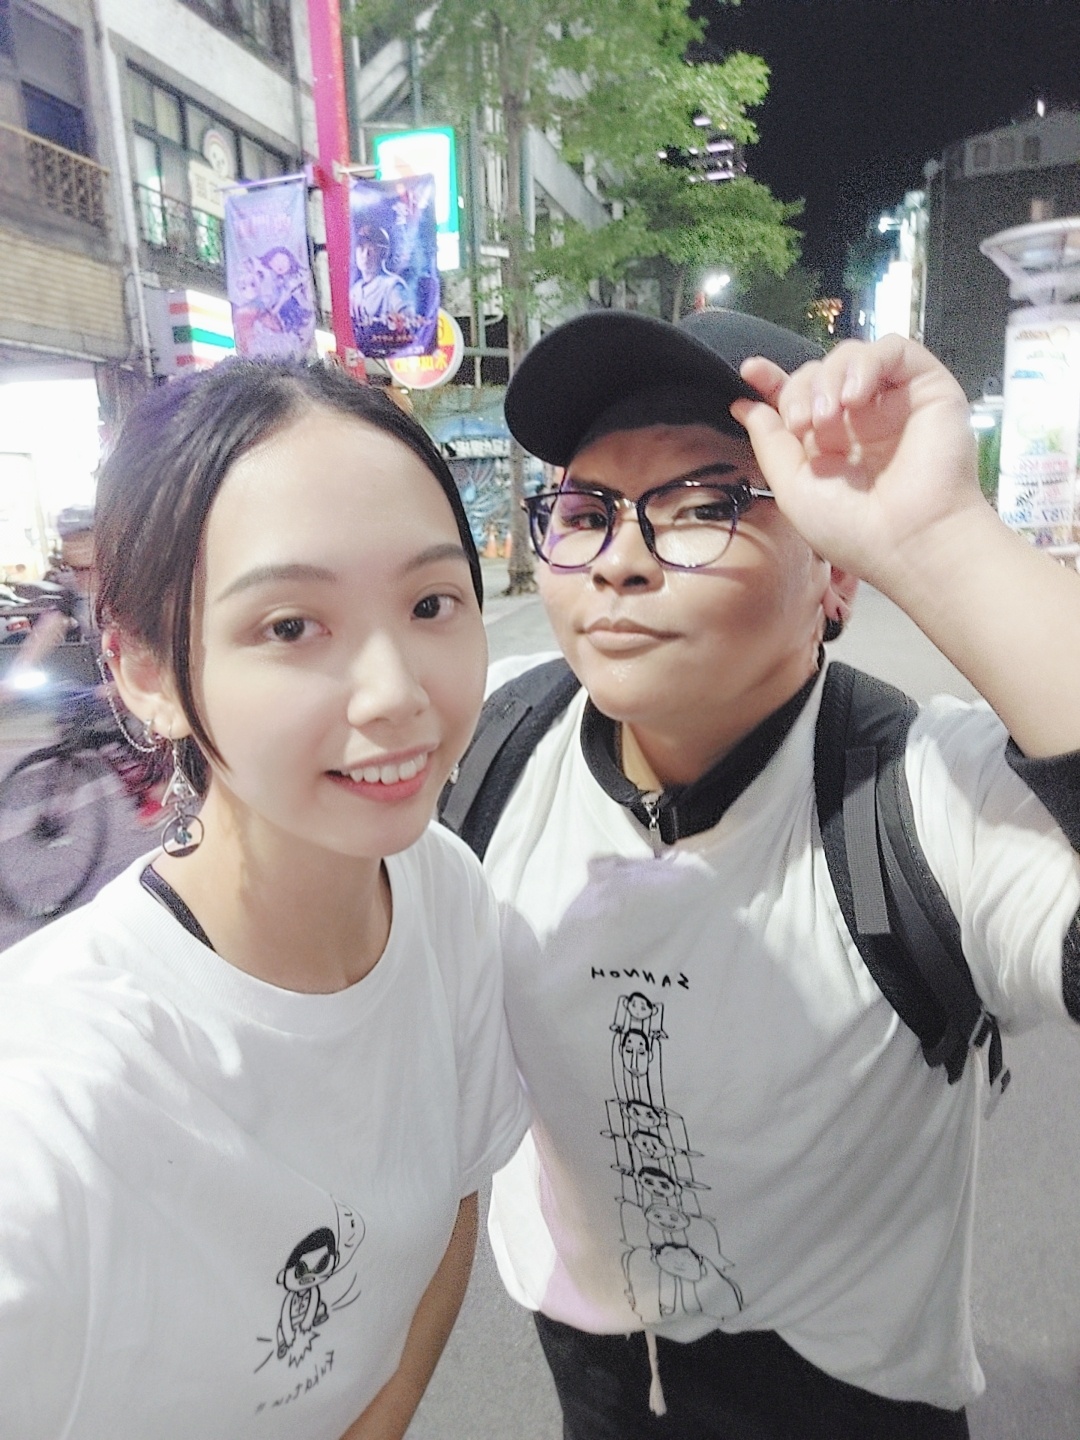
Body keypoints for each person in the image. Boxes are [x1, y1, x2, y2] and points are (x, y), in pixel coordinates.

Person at [463, 308, 1080, 1438]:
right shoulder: (493, 746)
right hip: (589, 1361)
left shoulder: (923, 799)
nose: (622, 560)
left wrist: (942, 537)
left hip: (848, 1395)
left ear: (834, 574)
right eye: (587, 512)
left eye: (704, 506)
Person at [0, 360, 528, 1439]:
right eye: (291, 626)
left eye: (431, 603)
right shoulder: (56, 1100)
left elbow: (453, 1201)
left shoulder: (443, 893)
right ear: (144, 667)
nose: (396, 694)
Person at [350, 224, 416, 348]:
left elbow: (409, 325)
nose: (365, 254)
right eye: (361, 248)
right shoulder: (355, 290)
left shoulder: (392, 286)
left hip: (390, 352)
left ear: (383, 253)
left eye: (372, 248)